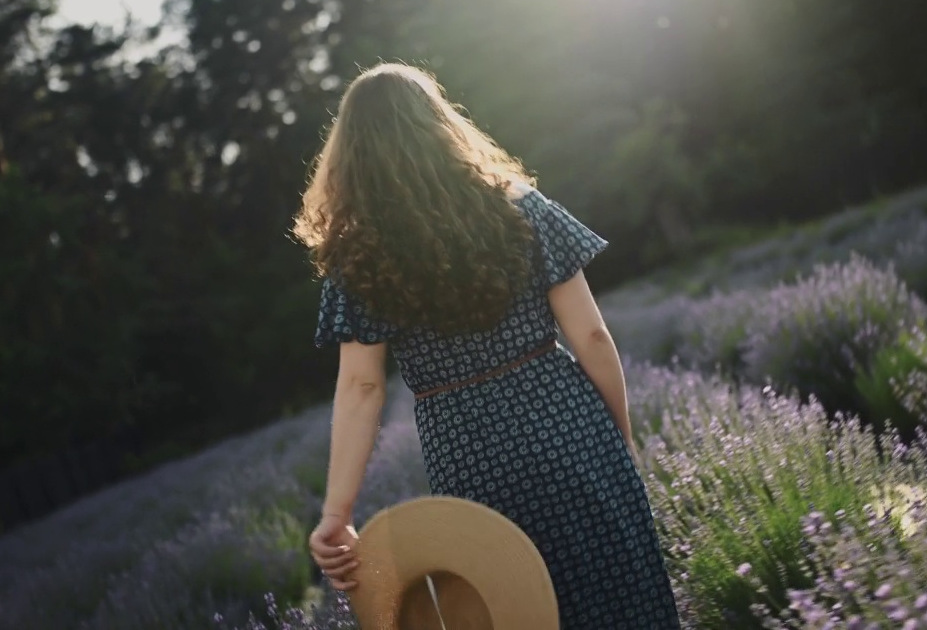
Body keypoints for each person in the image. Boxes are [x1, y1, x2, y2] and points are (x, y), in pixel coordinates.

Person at [291, 62, 682, 629]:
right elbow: (592, 336)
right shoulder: (519, 207)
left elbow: (362, 386)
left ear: (352, 156)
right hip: (569, 424)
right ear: (439, 125)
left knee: (519, 608)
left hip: (471, 457)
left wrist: (337, 513)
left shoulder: (359, 257)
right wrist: (619, 436)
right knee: (625, 594)